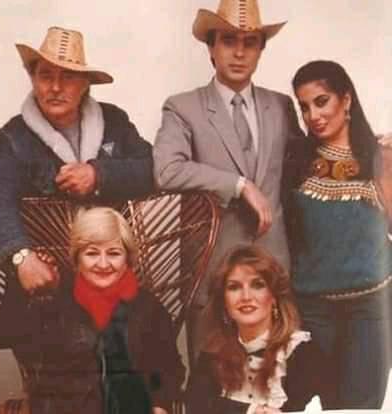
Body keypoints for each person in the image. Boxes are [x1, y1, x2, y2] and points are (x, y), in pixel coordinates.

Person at [0, 26, 153, 340]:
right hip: (52, 282)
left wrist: (99, 175)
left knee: (146, 333)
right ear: (32, 79)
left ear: (85, 84)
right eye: (45, 76)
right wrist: (21, 256)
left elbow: (153, 167)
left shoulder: (115, 122)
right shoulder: (15, 137)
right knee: (54, 342)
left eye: (67, 77)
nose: (55, 87)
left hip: (111, 270)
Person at [152, 0, 304, 360]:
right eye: (228, 41)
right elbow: (166, 170)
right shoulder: (183, 107)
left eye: (250, 42)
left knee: (280, 381)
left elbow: (304, 167)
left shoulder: (280, 106)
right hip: (211, 273)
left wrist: (364, 147)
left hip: (274, 273)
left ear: (261, 50)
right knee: (211, 384)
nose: (239, 52)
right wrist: (239, 185)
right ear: (211, 48)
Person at [0, 207, 185, 414]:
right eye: (92, 253)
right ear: (77, 258)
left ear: (128, 258)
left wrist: (160, 405)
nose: (103, 264)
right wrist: (23, 283)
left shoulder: (148, 306)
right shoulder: (56, 297)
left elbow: (169, 367)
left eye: (114, 253)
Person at [283, 60, 392, 409]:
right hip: (313, 311)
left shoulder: (381, 158)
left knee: (362, 408)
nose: (313, 115)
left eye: (321, 101)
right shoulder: (296, 162)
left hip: (371, 311)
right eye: (304, 107)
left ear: (346, 100)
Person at [186, 245, 330, 414]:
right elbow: (196, 407)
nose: (246, 296)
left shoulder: (302, 352)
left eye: (257, 285)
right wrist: (249, 411)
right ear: (223, 301)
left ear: (274, 297)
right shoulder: (212, 354)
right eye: (234, 287)